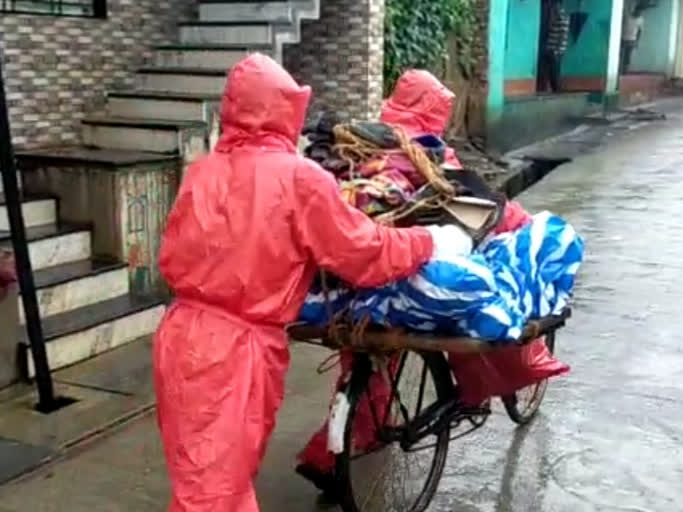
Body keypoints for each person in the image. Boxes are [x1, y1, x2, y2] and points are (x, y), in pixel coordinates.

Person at [153, 54, 472, 512]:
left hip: (179, 336)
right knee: (212, 493)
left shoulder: (202, 171)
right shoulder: (298, 179)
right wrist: (428, 243)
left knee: (203, 475)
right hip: (235, 353)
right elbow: (364, 252)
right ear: (284, 110)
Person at [295, 70, 532, 503]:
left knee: (364, 368)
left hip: (351, 287)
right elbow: (484, 204)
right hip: (400, 272)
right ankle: (463, 398)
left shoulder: (369, 141)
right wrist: (523, 225)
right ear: (436, 109)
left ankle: (330, 458)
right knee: (455, 318)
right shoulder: (428, 152)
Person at [538, 0, 570, 93]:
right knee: (550, 70)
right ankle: (550, 89)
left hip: (555, 50)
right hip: (552, 49)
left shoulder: (562, 17)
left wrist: (556, 50)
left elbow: (562, 35)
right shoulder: (558, 16)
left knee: (554, 72)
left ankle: (556, 90)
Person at [621, 3, 644, 74]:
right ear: (636, 10)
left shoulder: (641, 19)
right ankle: (618, 71)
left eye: (641, 12)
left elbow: (640, 31)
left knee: (627, 57)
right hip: (622, 39)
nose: (640, 13)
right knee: (619, 55)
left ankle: (624, 72)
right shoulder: (628, 16)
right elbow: (621, 25)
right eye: (639, 11)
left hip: (632, 40)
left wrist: (637, 42)